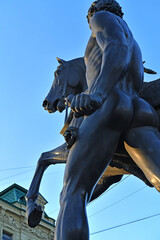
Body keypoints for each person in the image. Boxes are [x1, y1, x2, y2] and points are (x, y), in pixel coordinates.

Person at [55, 1, 160, 239]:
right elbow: (123, 51)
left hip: (108, 104)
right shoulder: (134, 40)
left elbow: (116, 47)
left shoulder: (100, 18)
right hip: (138, 107)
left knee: (72, 194)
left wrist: (97, 94)